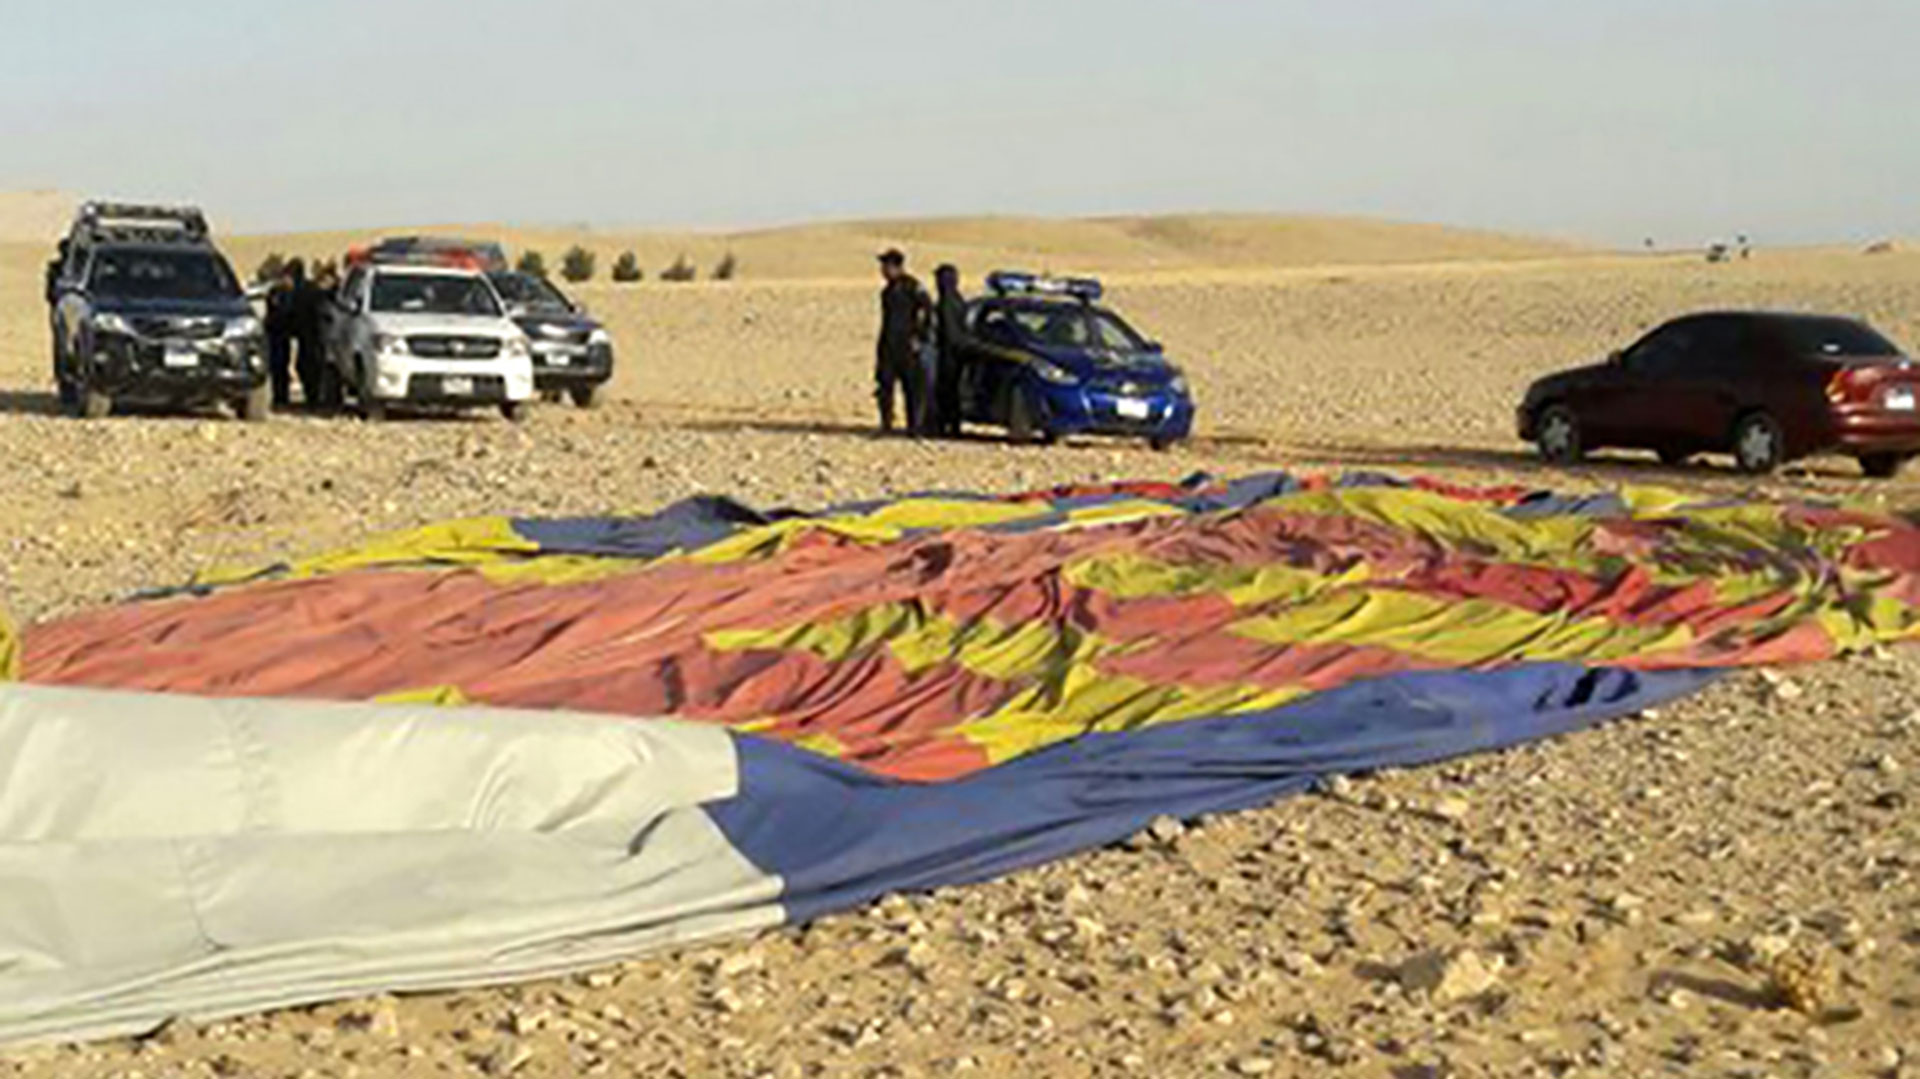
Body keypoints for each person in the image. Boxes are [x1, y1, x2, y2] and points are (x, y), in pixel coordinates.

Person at [873, 249, 930, 434]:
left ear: (896, 266)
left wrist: (920, 337)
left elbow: (927, 311)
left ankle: (914, 427)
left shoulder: (912, 287)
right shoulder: (887, 291)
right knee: (885, 386)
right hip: (889, 345)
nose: (883, 270)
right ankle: (886, 424)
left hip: (908, 346)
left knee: (912, 388)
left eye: (886, 266)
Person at [930, 264, 968, 436]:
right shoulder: (957, 300)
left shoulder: (948, 302)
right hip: (957, 352)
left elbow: (950, 332)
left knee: (947, 391)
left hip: (949, 354)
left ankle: (947, 425)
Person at [263, 258, 303, 410]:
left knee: (281, 366)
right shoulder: (278, 292)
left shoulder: (288, 293)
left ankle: (282, 397)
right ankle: (280, 397)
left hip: (281, 334)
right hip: (276, 334)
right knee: (277, 367)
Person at [291, 259, 328, 407]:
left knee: (309, 366)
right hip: (307, 334)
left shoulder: (305, 290)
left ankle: (313, 397)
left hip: (312, 334)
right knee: (306, 366)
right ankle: (312, 397)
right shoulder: (308, 289)